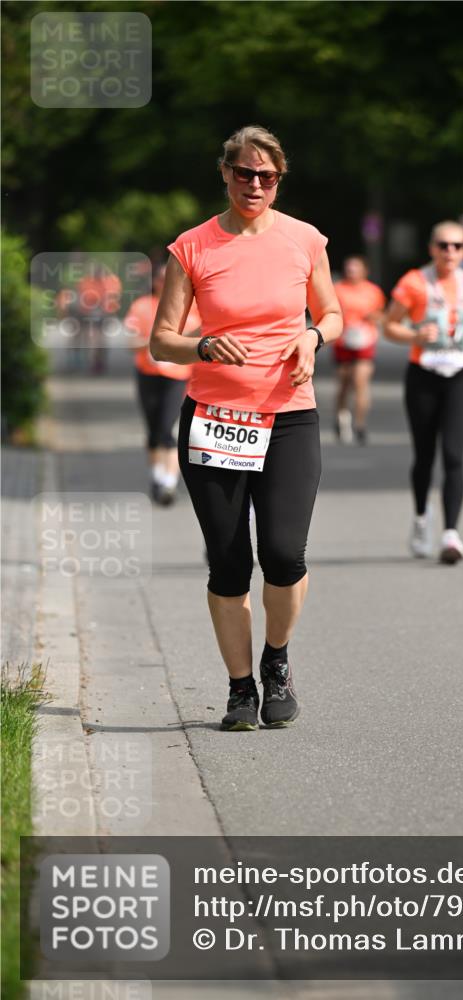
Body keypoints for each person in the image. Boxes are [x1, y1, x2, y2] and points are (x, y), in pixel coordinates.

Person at [150, 125, 342, 731]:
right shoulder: (193, 247)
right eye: (244, 173)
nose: (254, 184)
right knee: (230, 564)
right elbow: (161, 340)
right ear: (225, 173)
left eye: (267, 176)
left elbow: (333, 312)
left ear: (279, 180)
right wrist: (204, 345)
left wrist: (313, 336)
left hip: (288, 416)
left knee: (283, 554)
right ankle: (239, 689)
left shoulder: (304, 239)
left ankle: (276, 661)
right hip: (215, 419)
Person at [384, 220, 463, 563]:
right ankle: (421, 518)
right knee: (424, 455)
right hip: (424, 374)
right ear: (432, 248)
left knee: (454, 454)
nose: (450, 252)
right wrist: (414, 336)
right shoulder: (414, 282)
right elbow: (389, 325)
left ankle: (451, 534)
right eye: (444, 245)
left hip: (462, 373)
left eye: (457, 246)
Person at [124, 264, 201, 505]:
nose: (164, 282)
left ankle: (169, 482)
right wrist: (154, 343)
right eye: (160, 278)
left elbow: (200, 339)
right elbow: (130, 342)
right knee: (154, 429)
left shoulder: (191, 307)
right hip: (147, 374)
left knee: (168, 427)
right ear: (154, 282)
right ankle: (157, 476)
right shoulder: (142, 306)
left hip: (178, 377)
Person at [332, 256, 385, 444]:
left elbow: (381, 315)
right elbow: (329, 313)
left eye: (355, 269)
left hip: (365, 340)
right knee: (344, 384)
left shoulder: (373, 291)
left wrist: (373, 317)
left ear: (364, 271)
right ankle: (341, 418)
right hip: (343, 341)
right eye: (349, 269)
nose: (351, 272)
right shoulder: (338, 289)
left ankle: (360, 424)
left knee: (361, 381)